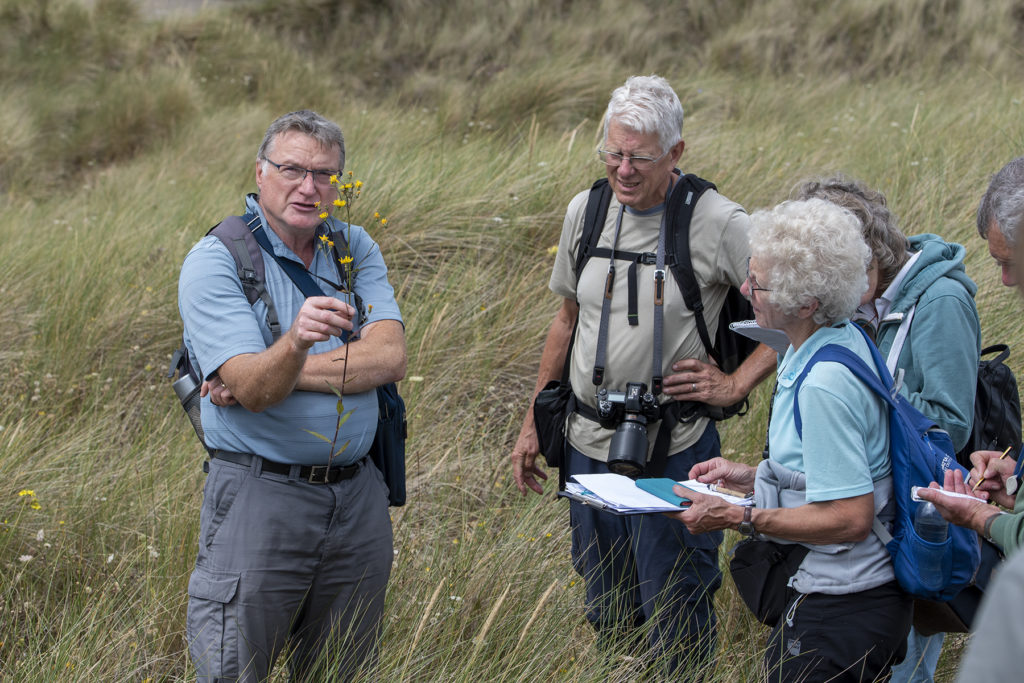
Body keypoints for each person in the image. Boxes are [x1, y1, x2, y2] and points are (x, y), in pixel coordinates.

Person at [511, 74, 776, 675]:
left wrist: (735, 384)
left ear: (676, 153)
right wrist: (533, 418)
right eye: (614, 153)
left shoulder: (718, 222)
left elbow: (802, 314)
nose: (623, 170)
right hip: (586, 442)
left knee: (678, 604)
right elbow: (565, 319)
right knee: (606, 603)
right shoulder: (588, 209)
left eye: (640, 158)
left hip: (676, 446)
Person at [177, 110, 405, 681]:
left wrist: (279, 366)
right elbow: (253, 393)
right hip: (261, 496)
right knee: (234, 668)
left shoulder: (353, 247)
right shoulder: (216, 261)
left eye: (325, 175)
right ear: (260, 172)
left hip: (357, 499)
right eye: (292, 169)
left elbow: (390, 357)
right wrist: (294, 341)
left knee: (341, 670)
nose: (309, 187)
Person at [672, 198, 912, 682]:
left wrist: (741, 515)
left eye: (757, 284)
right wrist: (754, 476)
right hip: (860, 602)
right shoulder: (845, 339)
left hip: (842, 606)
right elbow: (839, 469)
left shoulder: (824, 382)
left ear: (806, 303)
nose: (744, 290)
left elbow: (850, 517)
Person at [797, 176, 981, 683]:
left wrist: (865, 378)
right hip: (864, 525)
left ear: (869, 253)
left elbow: (952, 423)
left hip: (917, 523)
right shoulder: (857, 301)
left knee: (907, 671)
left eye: (837, 268)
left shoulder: (942, 300)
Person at [917, 156, 1024, 555]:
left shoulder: (943, 302)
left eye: (1010, 263)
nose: (1007, 280)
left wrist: (976, 516)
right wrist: (1017, 483)